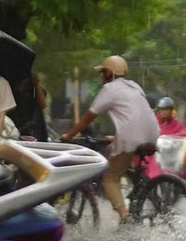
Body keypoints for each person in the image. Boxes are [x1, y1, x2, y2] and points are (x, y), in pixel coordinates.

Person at [62, 55, 160, 223]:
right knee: (114, 151)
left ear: (109, 73)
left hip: (131, 137)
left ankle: (124, 217)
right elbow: (136, 114)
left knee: (109, 178)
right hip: (152, 134)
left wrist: (69, 135)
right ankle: (140, 186)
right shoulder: (135, 86)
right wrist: (116, 137)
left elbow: (89, 117)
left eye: (102, 72)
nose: (101, 76)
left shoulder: (109, 90)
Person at [10, 73, 50, 141]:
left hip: (35, 129)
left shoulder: (32, 87)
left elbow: (43, 104)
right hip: (16, 126)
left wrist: (36, 84)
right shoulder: (8, 88)